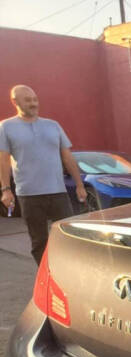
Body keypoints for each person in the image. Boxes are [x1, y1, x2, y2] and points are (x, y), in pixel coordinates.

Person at [0, 85, 86, 264]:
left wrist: (79, 184)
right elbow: (3, 160)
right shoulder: (6, 127)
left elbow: (67, 157)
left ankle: (67, 271)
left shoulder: (53, 125)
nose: (33, 103)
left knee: (68, 235)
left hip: (58, 192)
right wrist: (6, 189)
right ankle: (45, 277)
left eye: (35, 100)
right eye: (28, 100)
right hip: (29, 195)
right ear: (15, 102)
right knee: (39, 241)